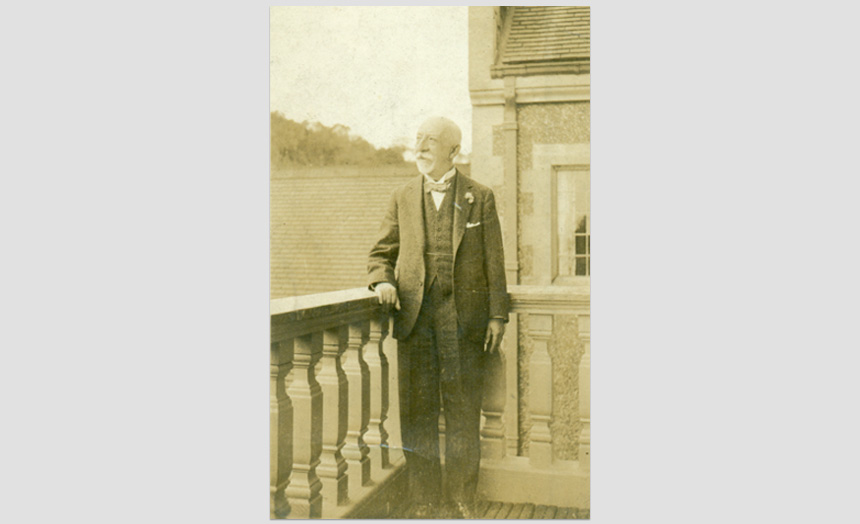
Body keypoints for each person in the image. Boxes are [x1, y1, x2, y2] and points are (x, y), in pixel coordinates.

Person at [367, 116, 508, 518]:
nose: (421, 147)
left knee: (464, 411)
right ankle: (424, 499)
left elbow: (494, 261)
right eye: (418, 141)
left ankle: (463, 497)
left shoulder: (480, 197)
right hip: (416, 322)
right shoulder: (402, 195)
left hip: (465, 324)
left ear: (454, 151)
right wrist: (381, 283)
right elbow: (380, 254)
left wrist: (497, 316)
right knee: (417, 413)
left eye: (431, 142)